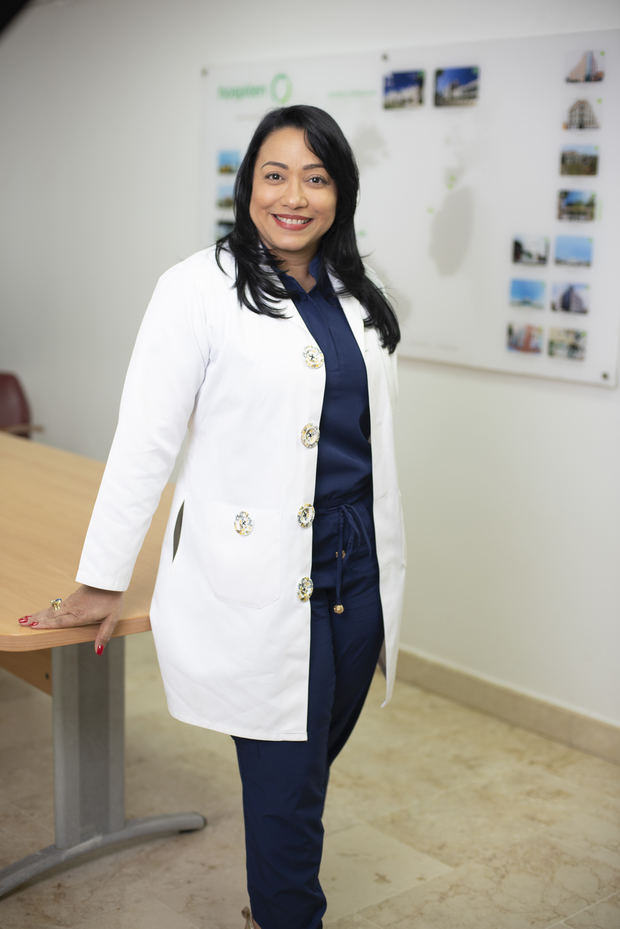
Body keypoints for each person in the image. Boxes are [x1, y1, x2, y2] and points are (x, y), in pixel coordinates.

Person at [19, 104, 406, 929]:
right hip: (260, 576)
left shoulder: (356, 295)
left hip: (357, 569)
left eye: (316, 177)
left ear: (340, 191)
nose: (293, 196)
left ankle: (272, 898)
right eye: (276, 174)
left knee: (305, 767)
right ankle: (286, 913)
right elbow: (144, 443)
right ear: (247, 185)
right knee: (287, 784)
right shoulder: (196, 288)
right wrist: (102, 577)